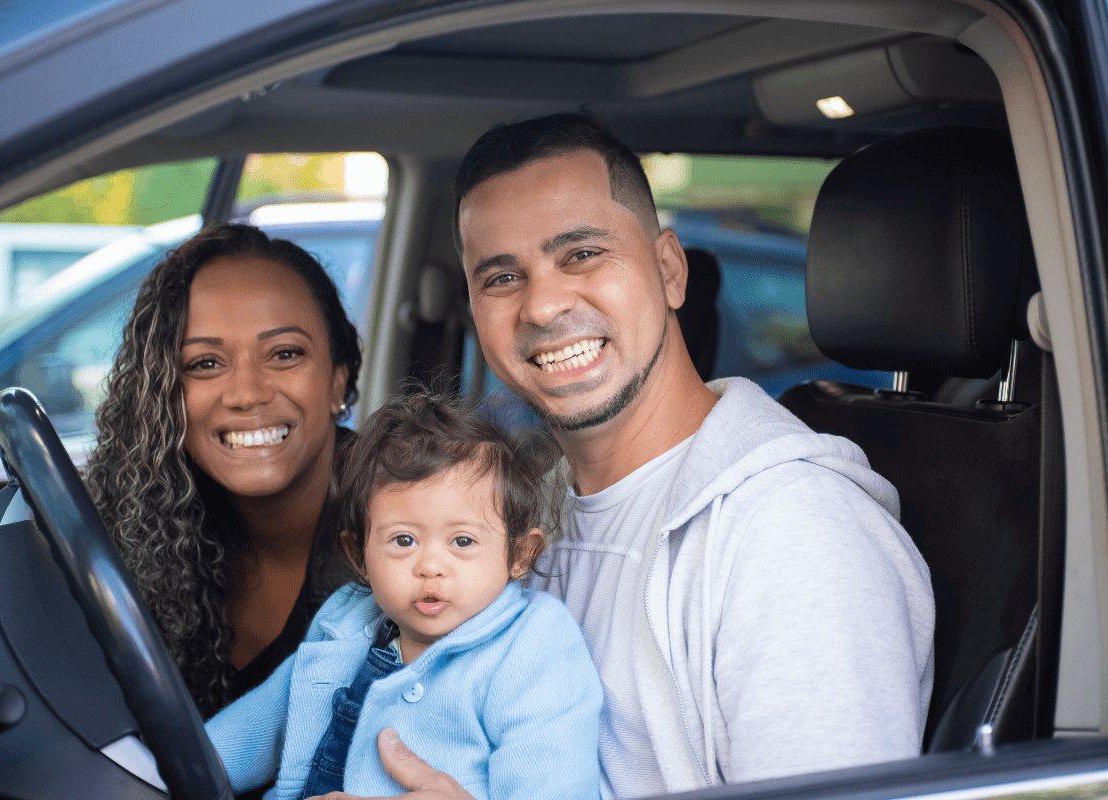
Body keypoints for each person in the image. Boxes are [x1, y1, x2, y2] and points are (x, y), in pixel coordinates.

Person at [337, 113, 935, 800]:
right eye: (502, 278)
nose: (544, 304)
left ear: (669, 270)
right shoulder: (529, 514)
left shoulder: (792, 532)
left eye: (582, 254)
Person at [205, 392, 602, 800]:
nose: (430, 566)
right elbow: (261, 724)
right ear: (358, 555)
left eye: (462, 540)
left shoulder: (534, 644)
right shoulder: (346, 619)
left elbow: (555, 782)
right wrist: (174, 766)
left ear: (520, 555)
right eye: (404, 539)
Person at [84, 223, 362, 721]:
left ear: (337, 379)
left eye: (284, 354)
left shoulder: (415, 528)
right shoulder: (152, 521)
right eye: (206, 363)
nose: (246, 393)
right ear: (165, 396)